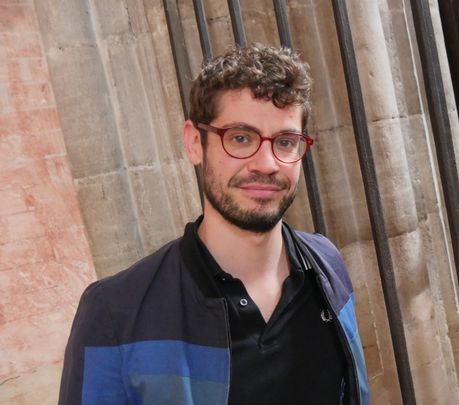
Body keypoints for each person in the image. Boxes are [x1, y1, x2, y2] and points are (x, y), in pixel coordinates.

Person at [59, 43, 369, 405]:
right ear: (195, 143)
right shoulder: (116, 314)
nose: (267, 163)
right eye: (240, 138)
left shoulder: (326, 263)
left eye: (285, 142)